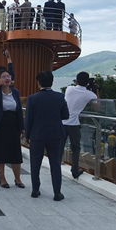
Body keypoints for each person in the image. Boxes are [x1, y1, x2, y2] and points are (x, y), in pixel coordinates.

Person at [25, 71, 69, 200]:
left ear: (38, 82)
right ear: (52, 81)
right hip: (55, 134)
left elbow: (29, 119)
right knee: (55, 163)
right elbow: (65, 115)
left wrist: (27, 135)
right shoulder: (60, 97)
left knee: (35, 163)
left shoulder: (32, 98)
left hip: (37, 134)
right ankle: (57, 193)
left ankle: (35, 189)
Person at [0, 54, 25, 188]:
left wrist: (22, 127)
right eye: (4, 77)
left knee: (15, 153)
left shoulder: (15, 92)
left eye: (8, 76)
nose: (7, 78)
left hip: (12, 124)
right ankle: (2, 179)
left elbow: (19, 110)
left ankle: (17, 179)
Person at [60, 71, 100, 179]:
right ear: (87, 83)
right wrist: (96, 91)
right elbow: (97, 108)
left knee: (60, 146)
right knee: (76, 148)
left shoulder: (69, 89)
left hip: (62, 122)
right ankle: (74, 170)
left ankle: (55, 167)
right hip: (74, 124)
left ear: (76, 81)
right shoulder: (90, 94)